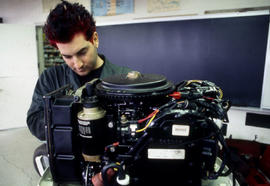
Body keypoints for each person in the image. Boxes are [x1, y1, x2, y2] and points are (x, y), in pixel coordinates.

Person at [26, 1, 131, 185]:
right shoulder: (51, 78)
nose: (77, 63)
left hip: (112, 162)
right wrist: (71, 121)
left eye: (82, 52)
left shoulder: (124, 78)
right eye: (67, 56)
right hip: (69, 161)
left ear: (95, 39)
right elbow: (34, 120)